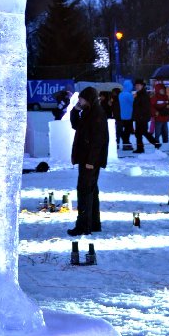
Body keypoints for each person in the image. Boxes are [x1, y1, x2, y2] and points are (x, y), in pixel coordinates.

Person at [67, 86, 109, 236]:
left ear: (88, 98)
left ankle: (84, 225)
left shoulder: (97, 114)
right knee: (90, 190)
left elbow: (98, 141)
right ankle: (93, 223)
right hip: (86, 158)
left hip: (90, 160)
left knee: (84, 190)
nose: (80, 101)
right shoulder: (88, 112)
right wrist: (74, 110)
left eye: (81, 99)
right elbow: (76, 126)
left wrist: (91, 161)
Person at [132, 79, 160, 153]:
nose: (137, 87)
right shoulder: (138, 94)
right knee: (139, 133)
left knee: (143, 132)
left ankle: (156, 143)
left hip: (142, 117)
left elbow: (145, 107)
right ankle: (141, 148)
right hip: (138, 117)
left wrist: (142, 116)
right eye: (136, 85)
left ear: (142, 86)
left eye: (138, 85)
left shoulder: (143, 95)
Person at [118, 79, 134, 150]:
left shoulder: (120, 94)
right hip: (129, 115)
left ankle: (126, 143)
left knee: (124, 130)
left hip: (122, 115)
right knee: (127, 130)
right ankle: (126, 143)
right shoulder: (129, 95)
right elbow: (133, 103)